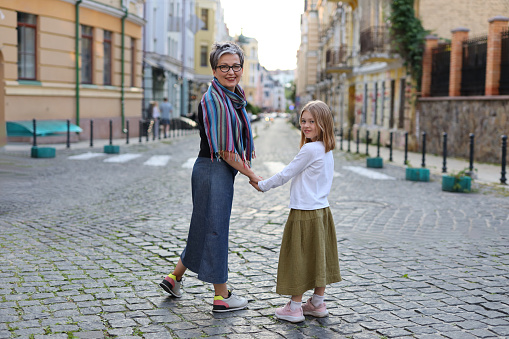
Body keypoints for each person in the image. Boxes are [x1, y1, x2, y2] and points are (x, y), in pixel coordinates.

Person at [159, 41, 260, 312]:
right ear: (214, 69)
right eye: (224, 66)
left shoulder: (231, 97)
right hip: (213, 168)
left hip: (213, 170)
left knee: (203, 228)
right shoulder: (215, 99)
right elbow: (226, 149)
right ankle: (221, 297)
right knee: (216, 231)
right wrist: (252, 174)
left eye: (236, 66)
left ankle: (174, 277)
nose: (231, 71)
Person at [250, 100, 341, 323]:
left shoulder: (310, 149)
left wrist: (262, 185)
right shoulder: (326, 149)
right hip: (322, 212)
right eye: (303, 121)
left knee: (299, 258)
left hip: (304, 212)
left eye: (312, 121)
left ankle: (294, 307)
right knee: (319, 257)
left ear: (323, 123)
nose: (306, 125)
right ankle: (317, 304)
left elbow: (286, 173)